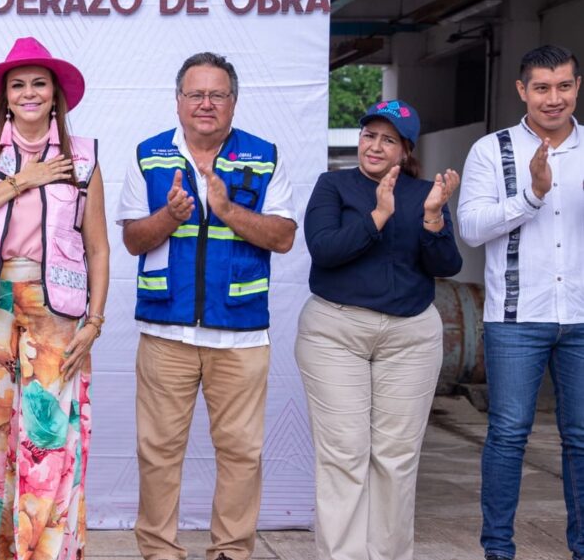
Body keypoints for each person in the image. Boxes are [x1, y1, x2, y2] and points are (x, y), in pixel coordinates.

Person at [116, 52, 296, 560]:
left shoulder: (264, 155)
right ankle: (159, 552)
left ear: (233, 103)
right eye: (196, 94)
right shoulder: (148, 154)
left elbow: (282, 236)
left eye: (217, 94)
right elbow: (132, 239)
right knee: (157, 453)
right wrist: (169, 217)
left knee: (242, 454)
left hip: (240, 336)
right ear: (178, 101)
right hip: (166, 333)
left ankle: (231, 553)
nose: (206, 104)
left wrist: (226, 209)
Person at [0, 37, 109, 560]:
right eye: (18, 85)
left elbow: (98, 247)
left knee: (48, 438)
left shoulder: (83, 156)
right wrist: (22, 180)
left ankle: (46, 555)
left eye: (39, 83)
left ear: (56, 93)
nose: (30, 92)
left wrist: (95, 320)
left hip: (56, 310)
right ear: (5, 96)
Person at [296, 100, 462, 560]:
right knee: (344, 456)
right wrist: (378, 216)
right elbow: (325, 249)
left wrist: (432, 218)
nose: (375, 145)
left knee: (396, 459)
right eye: (370, 134)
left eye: (388, 139)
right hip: (336, 332)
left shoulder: (426, 192)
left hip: (409, 337)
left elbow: (447, 264)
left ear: (405, 150)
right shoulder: (333, 185)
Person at [458, 44, 584, 560]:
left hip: (580, 316)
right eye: (542, 88)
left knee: (580, 440)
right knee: (509, 435)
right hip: (515, 318)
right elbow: (470, 229)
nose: (553, 99)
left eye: (564, 86)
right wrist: (530, 195)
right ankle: (498, 550)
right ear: (521, 91)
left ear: (577, 86)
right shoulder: (493, 150)